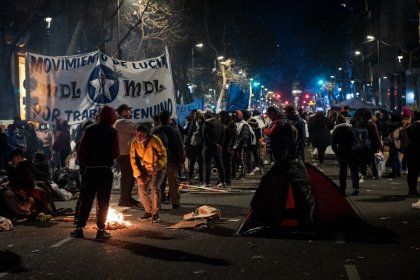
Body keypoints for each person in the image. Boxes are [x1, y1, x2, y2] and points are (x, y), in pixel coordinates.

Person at [70, 105, 119, 241]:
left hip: (90, 171)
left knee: (86, 200)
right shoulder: (113, 132)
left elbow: (81, 150)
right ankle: (101, 230)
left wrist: (86, 164)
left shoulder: (90, 129)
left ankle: (79, 229)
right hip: (105, 171)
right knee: (103, 202)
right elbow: (116, 153)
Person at [130, 125, 167, 221]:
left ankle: (155, 212)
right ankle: (148, 211)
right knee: (141, 189)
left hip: (158, 168)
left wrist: (158, 165)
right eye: (137, 135)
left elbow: (163, 155)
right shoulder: (134, 143)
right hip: (145, 168)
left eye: (141, 135)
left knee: (155, 188)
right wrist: (138, 175)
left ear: (146, 134)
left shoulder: (155, 140)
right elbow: (133, 159)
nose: (139, 138)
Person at [154, 111, 185, 209]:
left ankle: (158, 202)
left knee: (159, 182)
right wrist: (181, 160)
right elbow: (180, 146)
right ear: (168, 119)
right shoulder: (174, 130)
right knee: (173, 182)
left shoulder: (155, 130)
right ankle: (175, 202)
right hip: (171, 160)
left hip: (159, 160)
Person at [114, 104, 139, 207]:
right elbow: (137, 131)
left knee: (129, 176)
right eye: (128, 111)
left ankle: (127, 197)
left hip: (123, 153)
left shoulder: (119, 122)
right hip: (125, 153)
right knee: (127, 177)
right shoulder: (123, 122)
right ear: (124, 112)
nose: (130, 113)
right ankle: (124, 199)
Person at [331, 114, 360, 196]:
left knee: (343, 171)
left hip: (342, 152)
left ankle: (342, 189)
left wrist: (337, 152)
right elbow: (356, 140)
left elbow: (333, 144)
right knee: (354, 170)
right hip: (352, 152)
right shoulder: (350, 128)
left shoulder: (336, 130)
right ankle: (356, 188)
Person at [201, 109, 226, 187]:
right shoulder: (220, 123)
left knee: (207, 165)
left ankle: (207, 183)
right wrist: (219, 144)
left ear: (206, 116)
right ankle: (223, 182)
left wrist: (213, 144)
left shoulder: (205, 124)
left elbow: (204, 137)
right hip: (218, 147)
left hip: (208, 147)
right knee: (220, 164)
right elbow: (223, 135)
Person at [184, 109, 204, 185]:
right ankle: (190, 178)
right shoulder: (191, 123)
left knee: (200, 163)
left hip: (200, 146)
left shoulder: (203, 123)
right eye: (194, 114)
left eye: (196, 114)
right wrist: (179, 126)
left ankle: (202, 179)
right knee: (191, 163)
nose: (195, 115)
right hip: (192, 146)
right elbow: (186, 133)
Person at [218, 110, 238, 187]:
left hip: (228, 147)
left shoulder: (231, 124)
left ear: (225, 117)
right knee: (221, 164)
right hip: (221, 147)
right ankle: (221, 180)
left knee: (227, 165)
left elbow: (234, 136)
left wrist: (230, 147)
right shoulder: (222, 123)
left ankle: (227, 181)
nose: (219, 118)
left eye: (220, 117)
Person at [405, 111, 420, 197]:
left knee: (411, 172)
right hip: (418, 151)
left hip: (409, 151)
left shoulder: (409, 126)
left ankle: (412, 191)